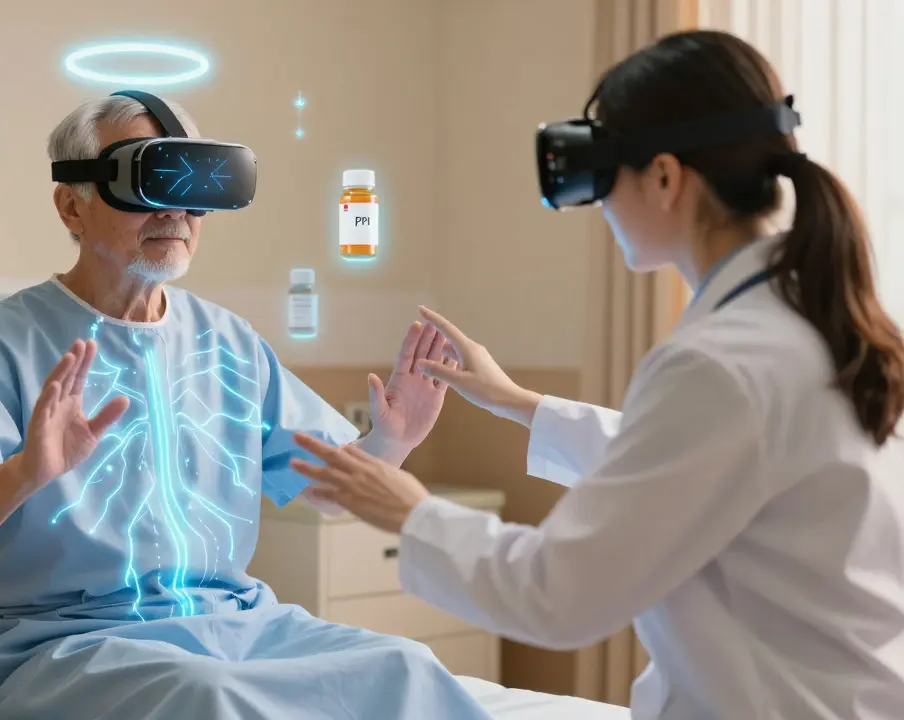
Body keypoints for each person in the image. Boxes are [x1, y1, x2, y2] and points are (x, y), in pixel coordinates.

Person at [289, 30, 904, 720]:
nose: (602, 209)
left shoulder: (720, 363)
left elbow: (558, 595)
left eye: (605, 181)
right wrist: (516, 402)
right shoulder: (807, 325)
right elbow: (691, 469)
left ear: (666, 178)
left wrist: (406, 508)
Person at [0, 93, 488, 720]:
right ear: (73, 203)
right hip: (62, 643)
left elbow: (327, 485)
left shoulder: (229, 342)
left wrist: (393, 441)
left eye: (196, 187)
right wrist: (25, 473)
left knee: (406, 669)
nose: (176, 211)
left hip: (234, 625)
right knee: (210, 699)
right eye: (149, 182)